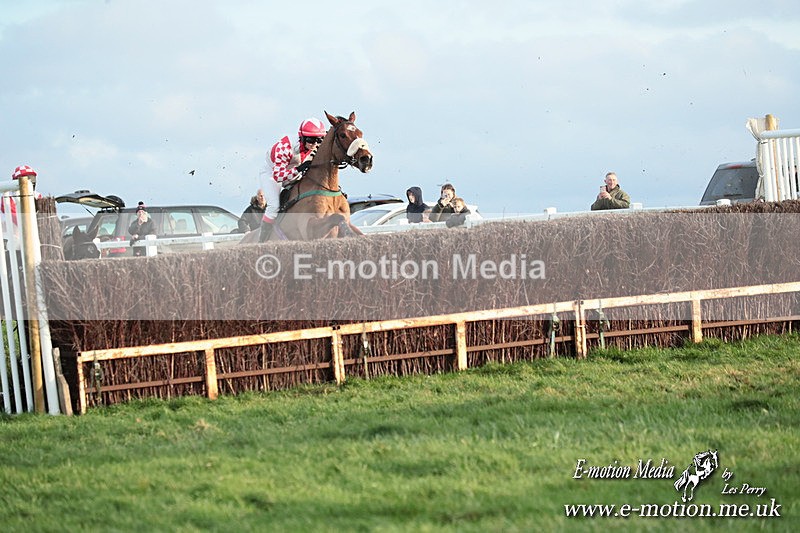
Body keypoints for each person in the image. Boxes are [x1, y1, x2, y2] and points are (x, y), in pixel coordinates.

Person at [260, 117, 327, 241]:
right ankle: (261, 241)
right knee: (273, 207)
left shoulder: (313, 145)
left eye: (320, 140)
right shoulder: (285, 148)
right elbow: (278, 176)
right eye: (311, 140)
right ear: (301, 137)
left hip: (292, 167)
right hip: (272, 173)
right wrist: (299, 169)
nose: (315, 145)